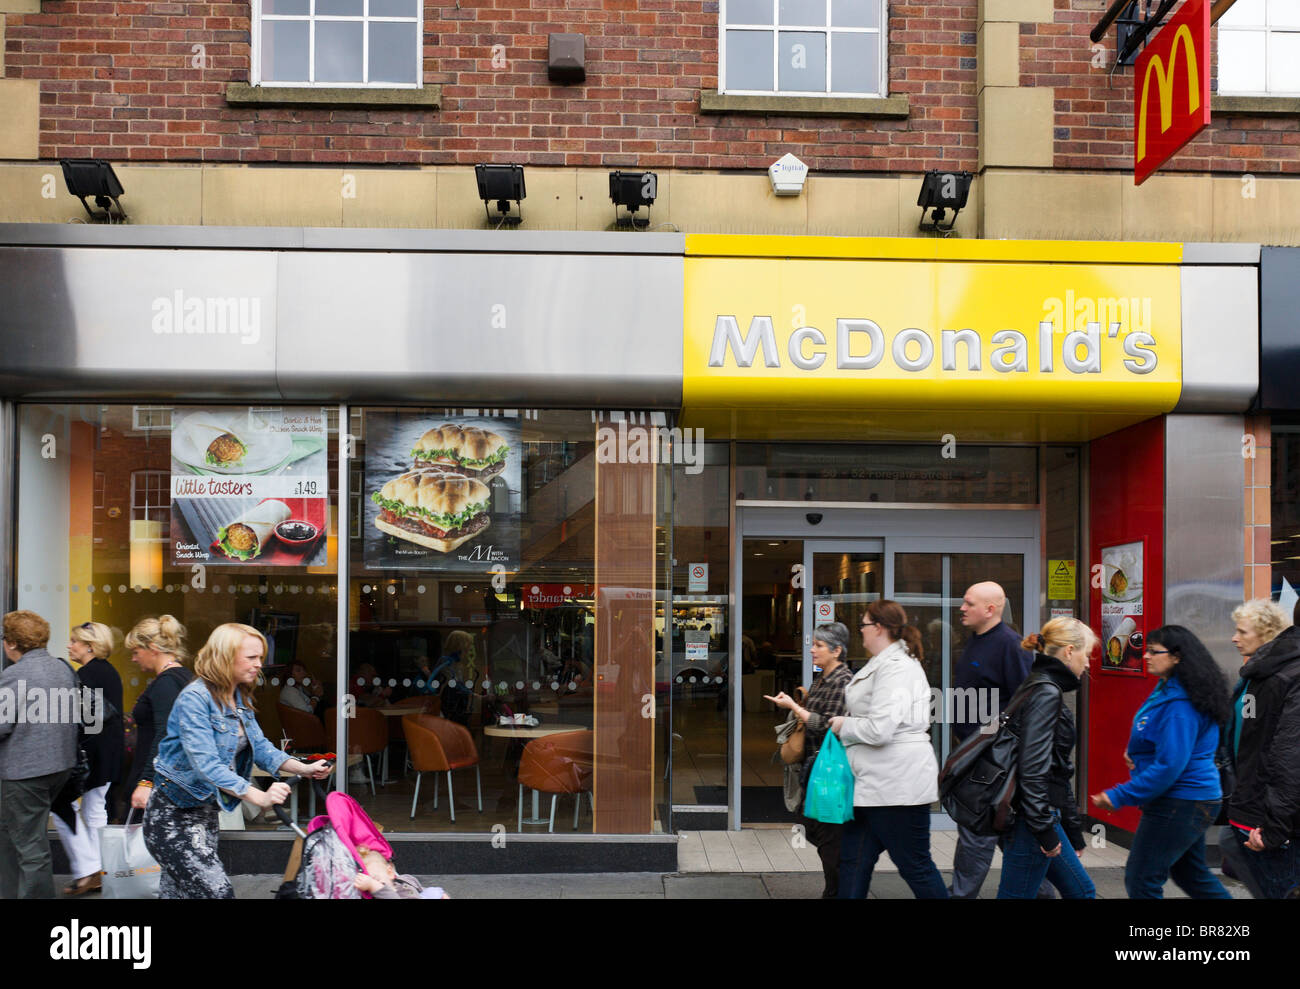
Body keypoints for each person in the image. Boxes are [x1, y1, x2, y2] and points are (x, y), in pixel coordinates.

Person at [144, 623, 331, 898]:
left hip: (204, 814)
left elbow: (263, 749)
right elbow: (207, 766)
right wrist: (260, 797)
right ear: (225, 656)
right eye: (252, 657)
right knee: (218, 892)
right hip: (173, 817)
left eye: (260, 657)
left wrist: (305, 768)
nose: (260, 664)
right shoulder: (194, 699)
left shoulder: (238, 697)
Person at [1091, 625, 1231, 899]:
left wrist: (1120, 795)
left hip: (1180, 801)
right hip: (1190, 799)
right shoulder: (1173, 690)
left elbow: (1171, 764)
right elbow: (1171, 748)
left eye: (1154, 651)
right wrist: (1139, 754)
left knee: (1142, 878)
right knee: (1192, 876)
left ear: (1177, 657)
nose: (1145, 656)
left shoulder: (1180, 704)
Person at [828, 601, 948, 899]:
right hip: (875, 785)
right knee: (853, 864)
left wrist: (844, 724)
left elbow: (880, 729)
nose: (861, 632)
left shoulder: (897, 668)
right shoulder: (884, 662)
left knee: (915, 867)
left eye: (864, 626)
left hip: (898, 788)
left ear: (878, 628)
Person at [995, 617, 1096, 899]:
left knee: (1082, 891)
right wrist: (1044, 830)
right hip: (1033, 818)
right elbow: (1034, 768)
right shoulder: (1046, 692)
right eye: (1085, 654)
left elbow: (1056, 768)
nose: (1087, 664)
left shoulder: (1038, 685)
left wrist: (1072, 832)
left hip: (1037, 815)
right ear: (1068, 652)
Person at [948, 581, 1033, 898]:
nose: (962, 608)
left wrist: (1008, 755)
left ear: (990, 609)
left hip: (994, 760)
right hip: (974, 754)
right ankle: (1042, 889)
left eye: (969, 603)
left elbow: (1026, 703)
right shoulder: (974, 641)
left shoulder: (1011, 645)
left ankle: (960, 894)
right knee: (1003, 833)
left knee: (977, 827)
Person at [764, 622, 853, 898]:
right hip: (814, 771)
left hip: (831, 774)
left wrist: (794, 708)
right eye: (813, 644)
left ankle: (839, 889)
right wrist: (801, 703)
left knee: (829, 839)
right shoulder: (822, 678)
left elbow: (829, 726)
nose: (812, 650)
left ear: (837, 650)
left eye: (819, 645)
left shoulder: (843, 682)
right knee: (814, 827)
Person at [1218, 598, 1300, 899]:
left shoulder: (1269, 675)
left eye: (1242, 631)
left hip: (1264, 809)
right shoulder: (1260, 676)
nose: (1234, 638)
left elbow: (1284, 753)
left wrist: (1273, 824)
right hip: (1261, 808)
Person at [0, 611, 80, 899]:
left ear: (11, 643)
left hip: (25, 771)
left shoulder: (14, 675)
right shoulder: (62, 669)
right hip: (57, 766)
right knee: (13, 832)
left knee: (29, 844)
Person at [52, 621, 124, 896]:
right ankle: (98, 870)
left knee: (63, 806)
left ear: (90, 646)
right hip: (107, 753)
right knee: (95, 811)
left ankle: (89, 869)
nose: (69, 645)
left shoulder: (87, 674)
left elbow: (84, 721)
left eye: (74, 641)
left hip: (92, 754)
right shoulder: (109, 672)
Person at [125, 615, 193, 814]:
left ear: (153, 648)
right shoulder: (183, 676)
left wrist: (146, 781)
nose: (133, 658)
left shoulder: (167, 683)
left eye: (136, 652)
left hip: (159, 784)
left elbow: (165, 733)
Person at [353, 845, 448, 899]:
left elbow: (420, 890)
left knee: (433, 891)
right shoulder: (379, 896)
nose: (376, 887)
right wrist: (372, 886)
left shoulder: (405, 879)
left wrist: (440, 896)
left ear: (389, 873)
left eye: (376, 880)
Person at [1230, 598, 1288, 664]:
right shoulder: (1266, 667)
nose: (1234, 639)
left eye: (1243, 632)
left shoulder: (1281, 670)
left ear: (1268, 634)